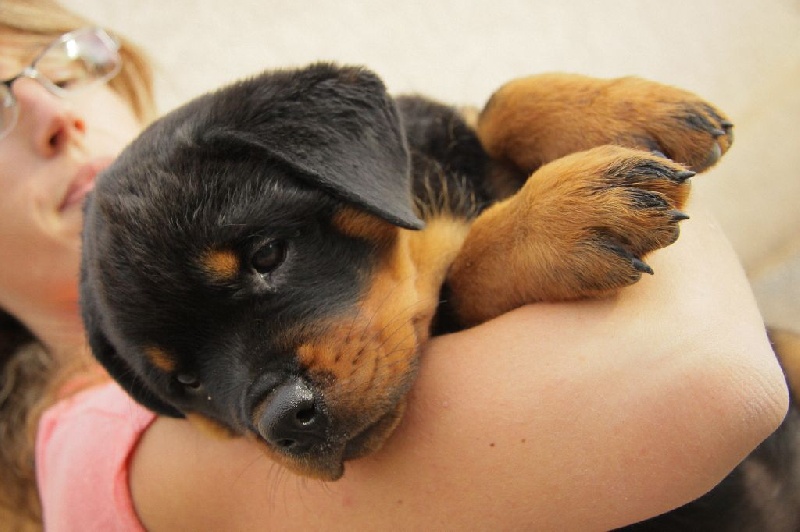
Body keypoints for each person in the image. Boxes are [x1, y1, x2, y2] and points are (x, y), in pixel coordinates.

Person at [0, 0, 789, 530]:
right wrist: (496, 252)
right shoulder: (97, 449)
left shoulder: (261, 166)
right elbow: (713, 376)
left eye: (62, 67)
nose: (51, 115)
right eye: (194, 384)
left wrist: (518, 123)